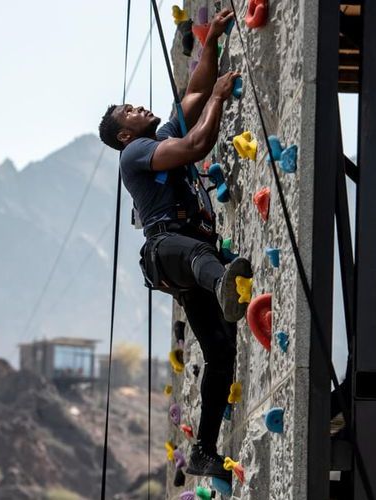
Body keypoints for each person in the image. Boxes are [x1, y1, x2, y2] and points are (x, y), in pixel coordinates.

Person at [98, 8, 251, 481]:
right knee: (204, 258)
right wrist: (220, 102)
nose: (141, 109)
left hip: (186, 258)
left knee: (222, 351)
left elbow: (196, 92)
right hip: (169, 249)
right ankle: (225, 282)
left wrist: (210, 44)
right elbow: (194, 148)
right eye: (131, 112)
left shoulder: (158, 134)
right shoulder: (136, 152)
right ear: (125, 133)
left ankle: (204, 448)